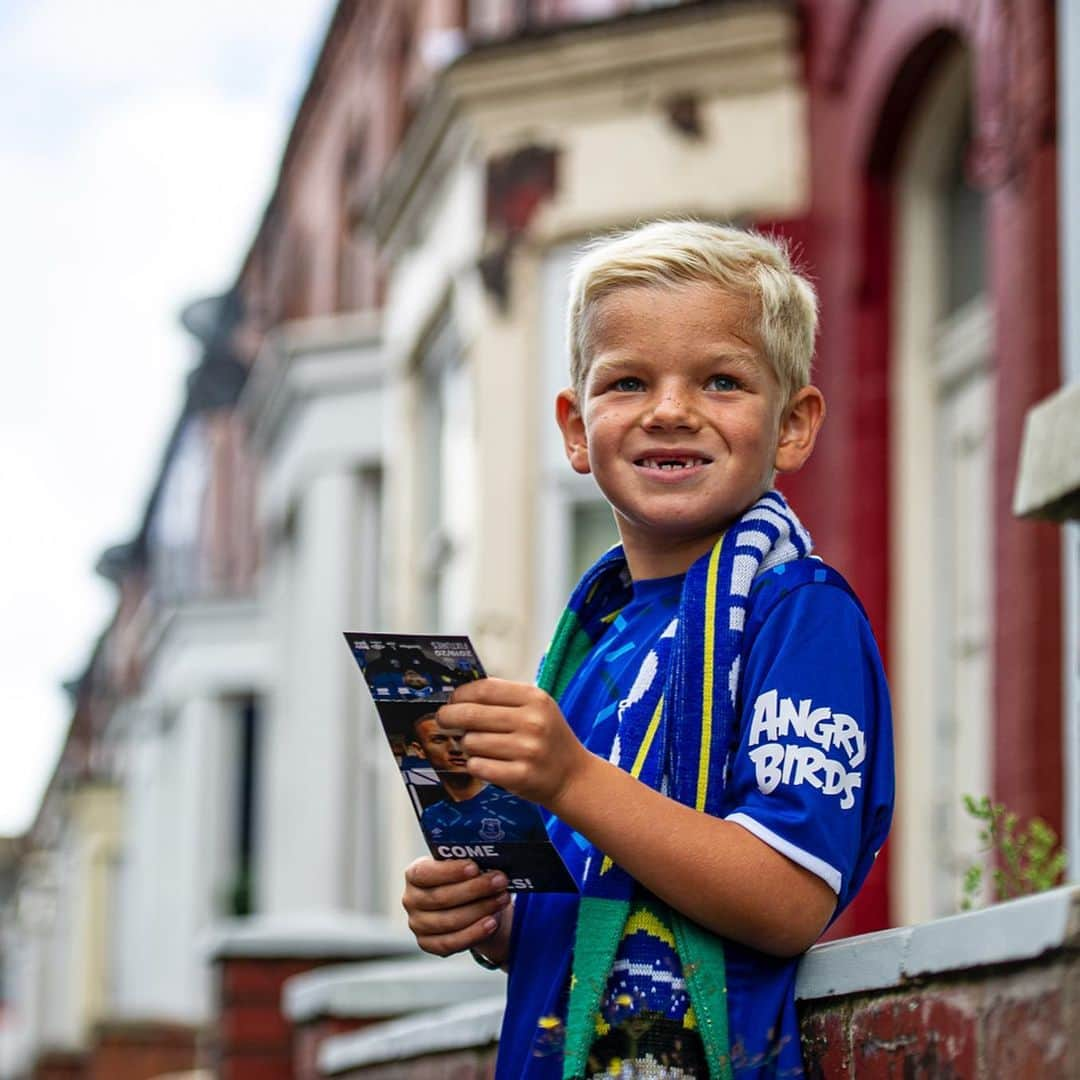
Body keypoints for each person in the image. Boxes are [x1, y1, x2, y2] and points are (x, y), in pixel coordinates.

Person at [401, 221, 894, 1078]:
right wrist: (488, 917)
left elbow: (785, 900)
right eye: (628, 380)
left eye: (722, 380)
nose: (671, 409)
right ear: (576, 429)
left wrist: (571, 779)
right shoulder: (597, 646)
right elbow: (598, 902)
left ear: (793, 425)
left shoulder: (802, 616)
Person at [411, 712, 549, 844]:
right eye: (439, 740)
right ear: (420, 750)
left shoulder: (523, 806)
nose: (455, 748)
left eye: (460, 739)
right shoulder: (431, 816)